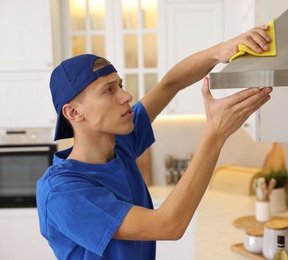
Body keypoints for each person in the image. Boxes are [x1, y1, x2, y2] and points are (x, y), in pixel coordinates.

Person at [36, 24, 273, 260]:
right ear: (74, 113)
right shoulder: (63, 192)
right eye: (109, 90)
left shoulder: (120, 147)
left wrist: (220, 51)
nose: (126, 96)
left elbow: (170, 84)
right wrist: (216, 134)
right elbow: (169, 225)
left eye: (120, 85)